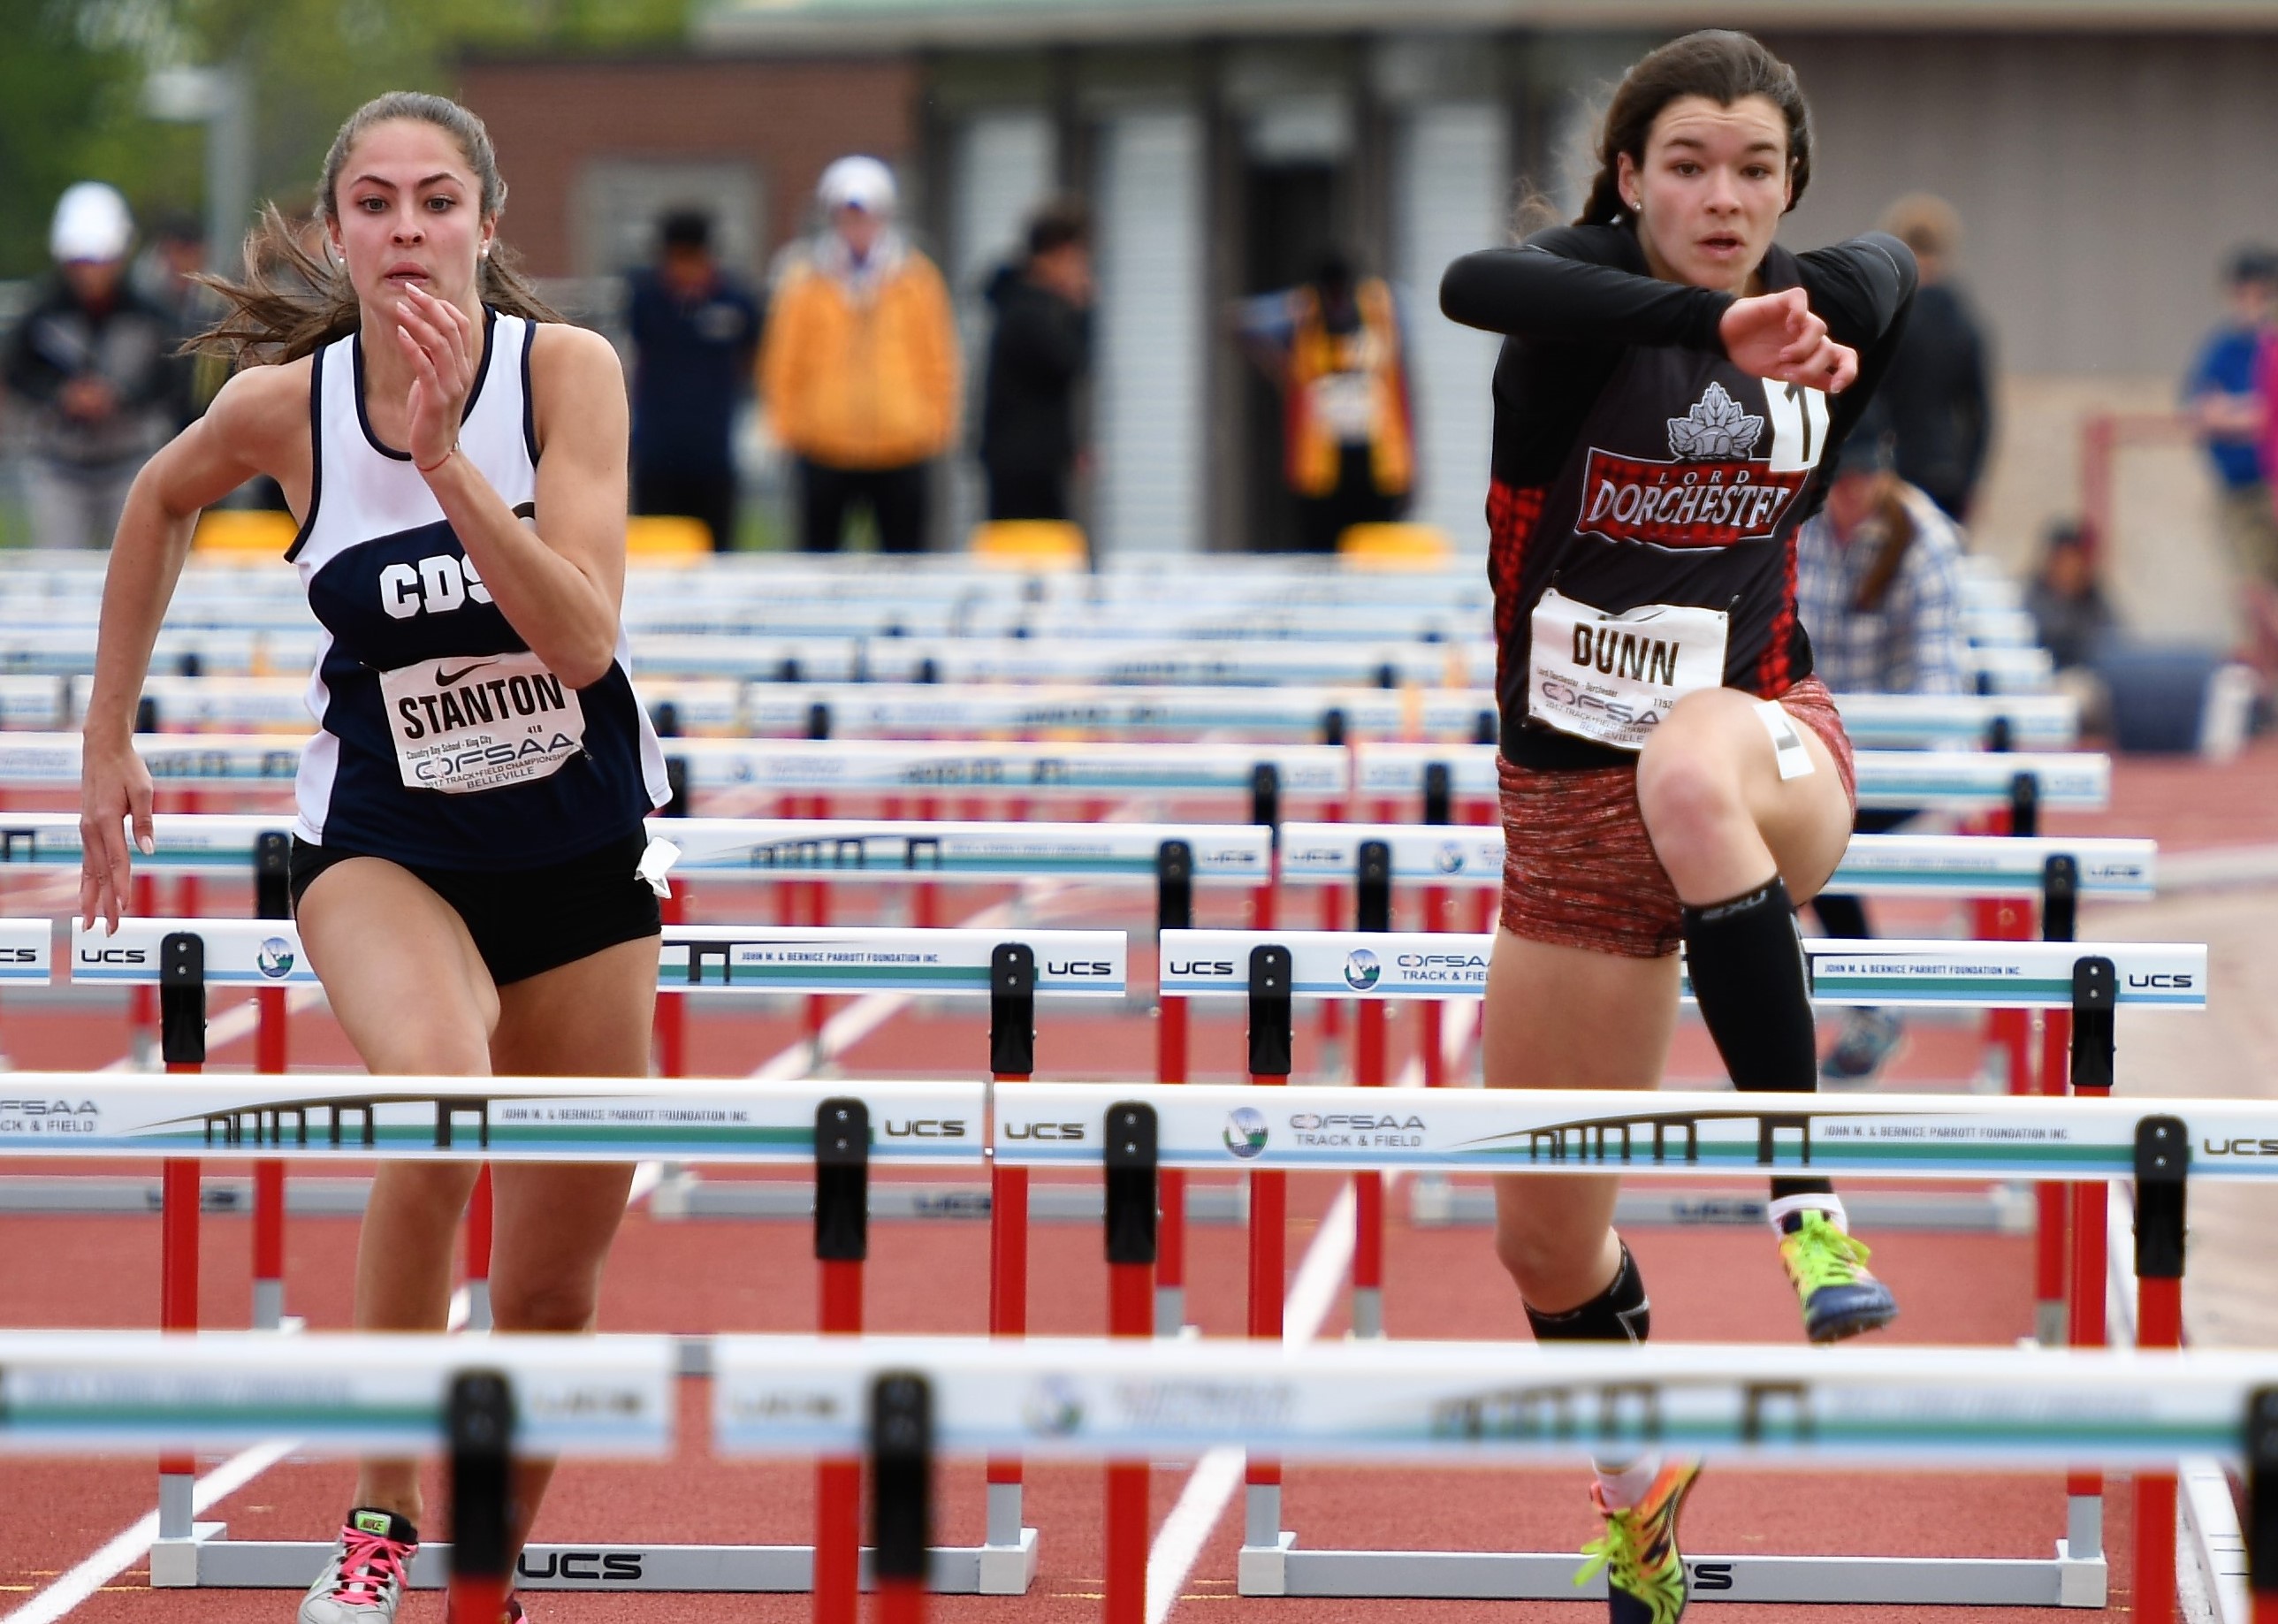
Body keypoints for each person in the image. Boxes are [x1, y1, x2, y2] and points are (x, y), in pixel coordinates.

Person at [74, 92, 670, 1624]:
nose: (407, 229)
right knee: (440, 1092)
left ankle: (482, 1570)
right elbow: (157, 500)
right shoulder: (291, 407)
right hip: (381, 845)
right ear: (338, 231)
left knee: (549, 1280)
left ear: (487, 219)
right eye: (375, 204)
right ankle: (377, 1525)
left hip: (579, 854)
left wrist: (453, 464)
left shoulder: (568, 377)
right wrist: (107, 736)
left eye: (435, 201)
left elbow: (585, 637)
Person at [1439, 30, 1914, 1621]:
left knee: (1691, 768)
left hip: (1762, 753)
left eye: (1756, 169)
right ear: (1628, 175)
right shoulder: (1571, 315)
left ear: (1789, 183)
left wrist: (1806, 308)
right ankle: (1635, 1500)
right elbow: (1473, 282)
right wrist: (1716, 318)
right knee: (1540, 1250)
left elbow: (1885, 264)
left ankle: (1807, 1210)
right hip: (1565, 818)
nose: (1724, 197)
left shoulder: (1825, 297)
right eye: (1688, 165)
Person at [1792, 407, 1966, 1082]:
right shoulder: (1797, 520)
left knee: (1811, 842)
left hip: (1899, 760)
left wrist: (1939, 772)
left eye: (1864, 477)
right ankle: (1859, 1007)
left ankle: (1863, 1007)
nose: (1850, 493)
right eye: (1839, 478)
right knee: (1788, 836)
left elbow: (1939, 675)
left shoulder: (1923, 539)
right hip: (1815, 745)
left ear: (1883, 473)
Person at [759, 156, 958, 553]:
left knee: (906, 556)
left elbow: (938, 358)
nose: (858, 229)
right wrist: (786, 428)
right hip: (824, 444)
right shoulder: (805, 280)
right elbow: (784, 361)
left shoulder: (916, 279)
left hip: (902, 443)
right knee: (819, 555)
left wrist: (935, 425)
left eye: (866, 216)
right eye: (848, 217)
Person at [4, 182, 177, 547]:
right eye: (81, 263)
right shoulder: (41, 314)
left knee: (135, 559)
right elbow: (17, 373)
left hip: (132, 463)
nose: (91, 274)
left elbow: (171, 377)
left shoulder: (150, 315)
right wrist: (60, 396)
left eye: (100, 262)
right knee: (58, 567)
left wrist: (121, 398)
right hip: (58, 467)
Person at [1236, 248, 1416, 552]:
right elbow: (1241, 321)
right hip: (1322, 466)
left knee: (1372, 548)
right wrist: (1282, 369)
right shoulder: (1302, 311)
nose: (1336, 301)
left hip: (1377, 462)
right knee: (1321, 549)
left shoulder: (1384, 307)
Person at [625, 209, 759, 551]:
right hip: (658, 451)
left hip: (713, 452)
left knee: (719, 551)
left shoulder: (734, 302)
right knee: (658, 550)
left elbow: (752, 353)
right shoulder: (647, 300)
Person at [1873, 194, 1992, 523]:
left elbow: (1872, 400)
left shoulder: (1889, 320)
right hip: (1947, 472)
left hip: (1897, 470)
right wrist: (1969, 479)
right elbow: (1981, 415)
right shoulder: (1965, 324)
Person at [2188, 248, 2278, 675]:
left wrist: (2239, 414)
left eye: (2259, 293)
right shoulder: (2224, 347)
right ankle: (2265, 681)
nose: (2250, 302)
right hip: (2239, 488)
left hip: (2269, 482)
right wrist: (2250, 414)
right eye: (2242, 293)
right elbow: (2202, 411)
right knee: (2252, 592)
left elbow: (2266, 416)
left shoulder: (2270, 347)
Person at [977, 199, 1093, 523]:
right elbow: (1069, 363)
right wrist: (1083, 311)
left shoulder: (1023, 304)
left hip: (1034, 458)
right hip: (1024, 464)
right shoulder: (1028, 312)